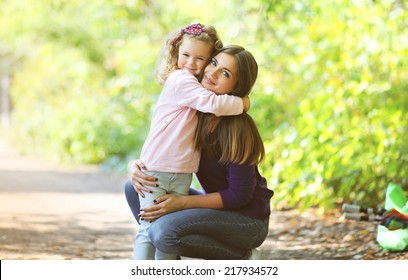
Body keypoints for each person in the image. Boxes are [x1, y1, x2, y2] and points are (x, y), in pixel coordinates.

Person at [125, 45, 274, 260]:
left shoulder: (237, 128)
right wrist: (137, 166)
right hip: (219, 211)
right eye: (213, 63)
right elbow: (167, 148)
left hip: (247, 220)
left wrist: (183, 203)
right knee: (136, 187)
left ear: (237, 86)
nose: (212, 73)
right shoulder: (196, 112)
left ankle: (244, 256)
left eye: (225, 73)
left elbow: (239, 195)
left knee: (163, 232)